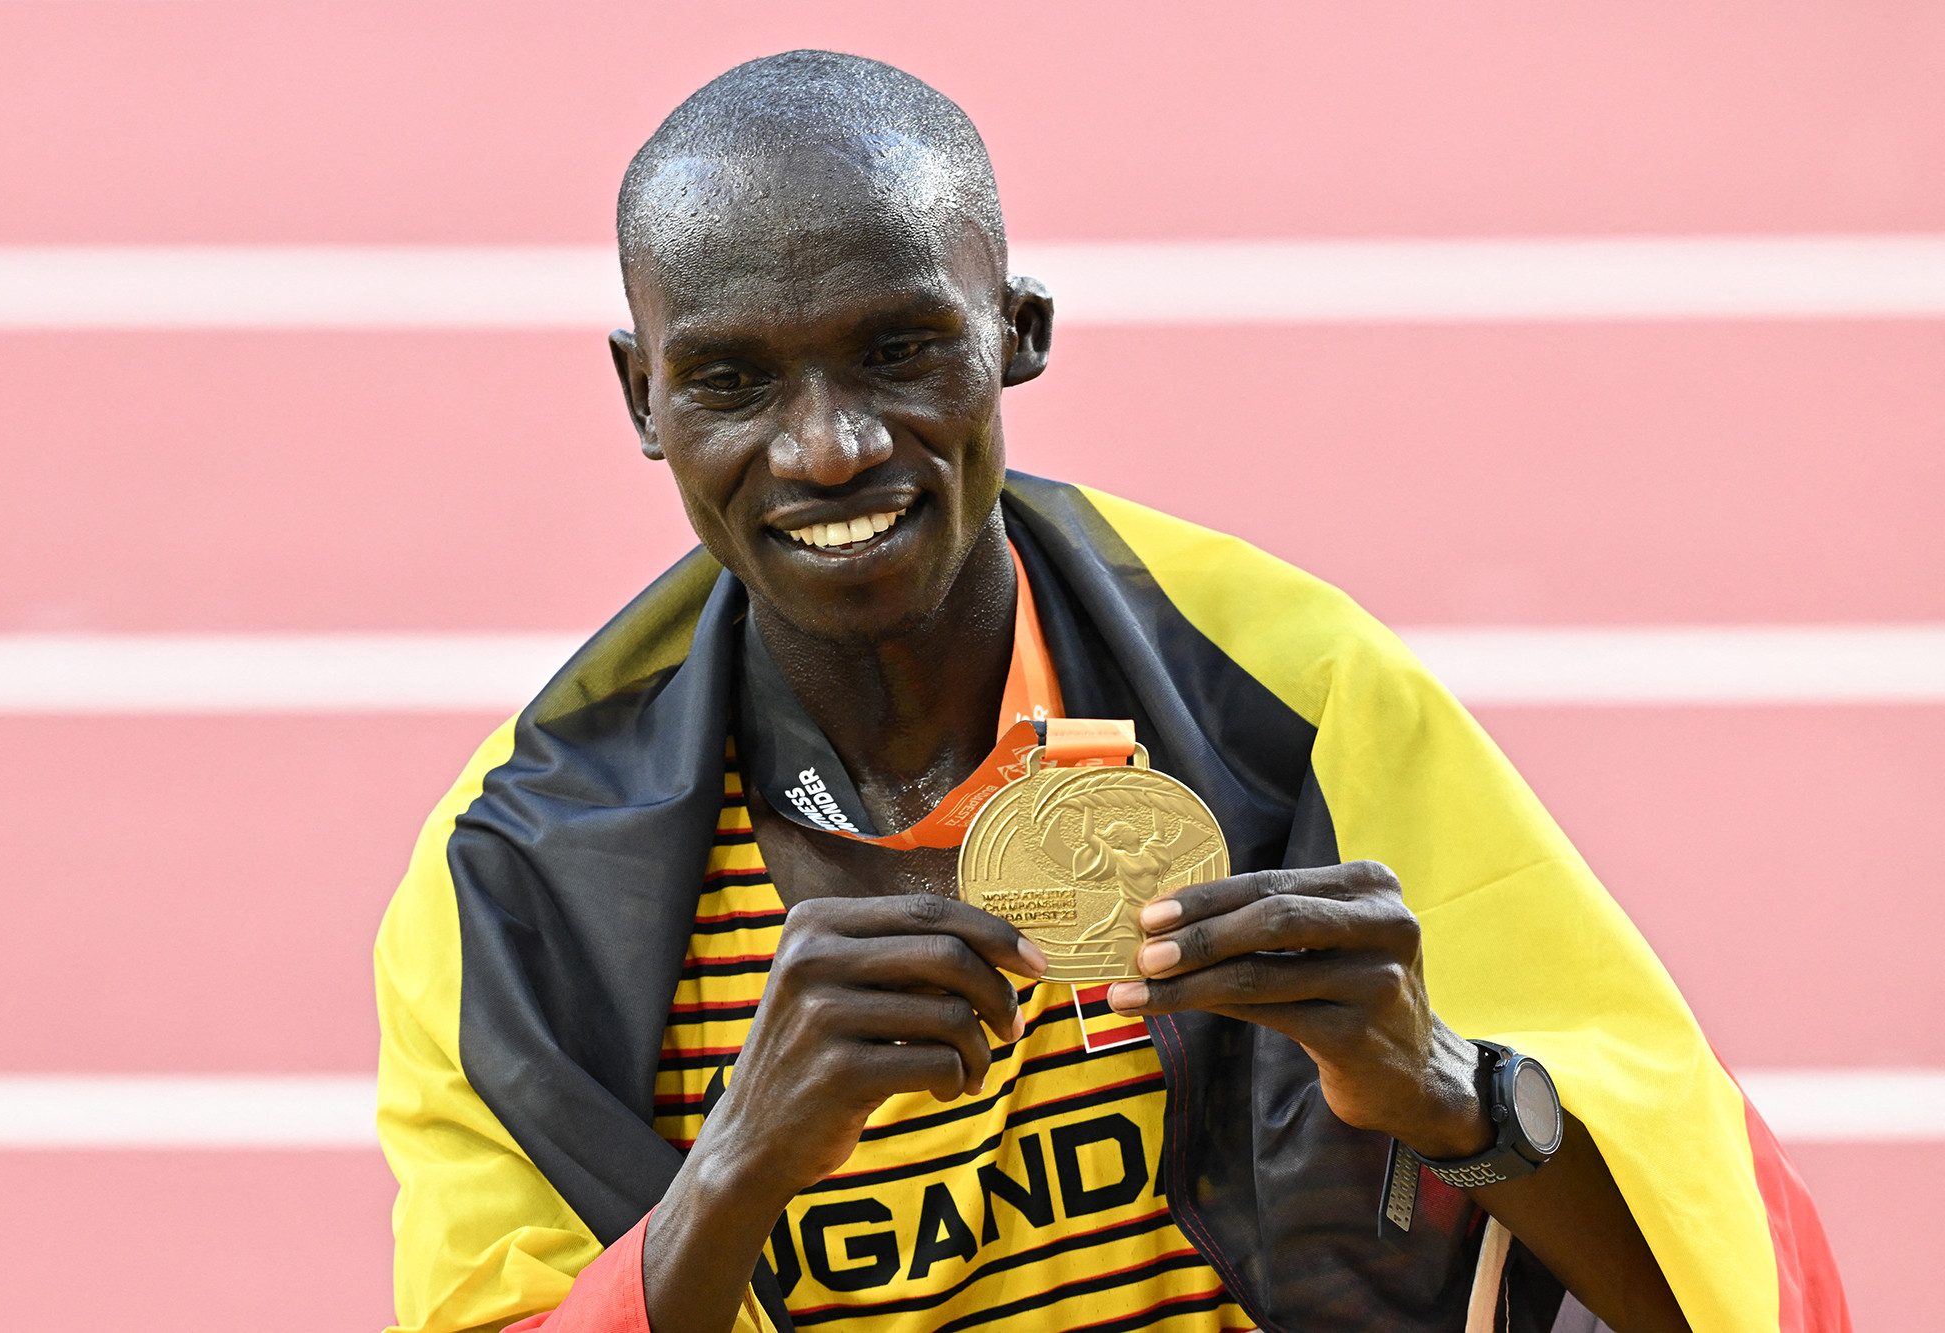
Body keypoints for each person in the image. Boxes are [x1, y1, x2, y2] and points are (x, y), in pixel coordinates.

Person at [374, 50, 1849, 1333]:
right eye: (734, 381)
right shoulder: (518, 882)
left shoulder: (1293, 699)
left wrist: (1447, 1094)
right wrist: (737, 1164)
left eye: (898, 350)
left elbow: (1712, 1280)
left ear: (1016, 331)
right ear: (643, 397)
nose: (826, 446)